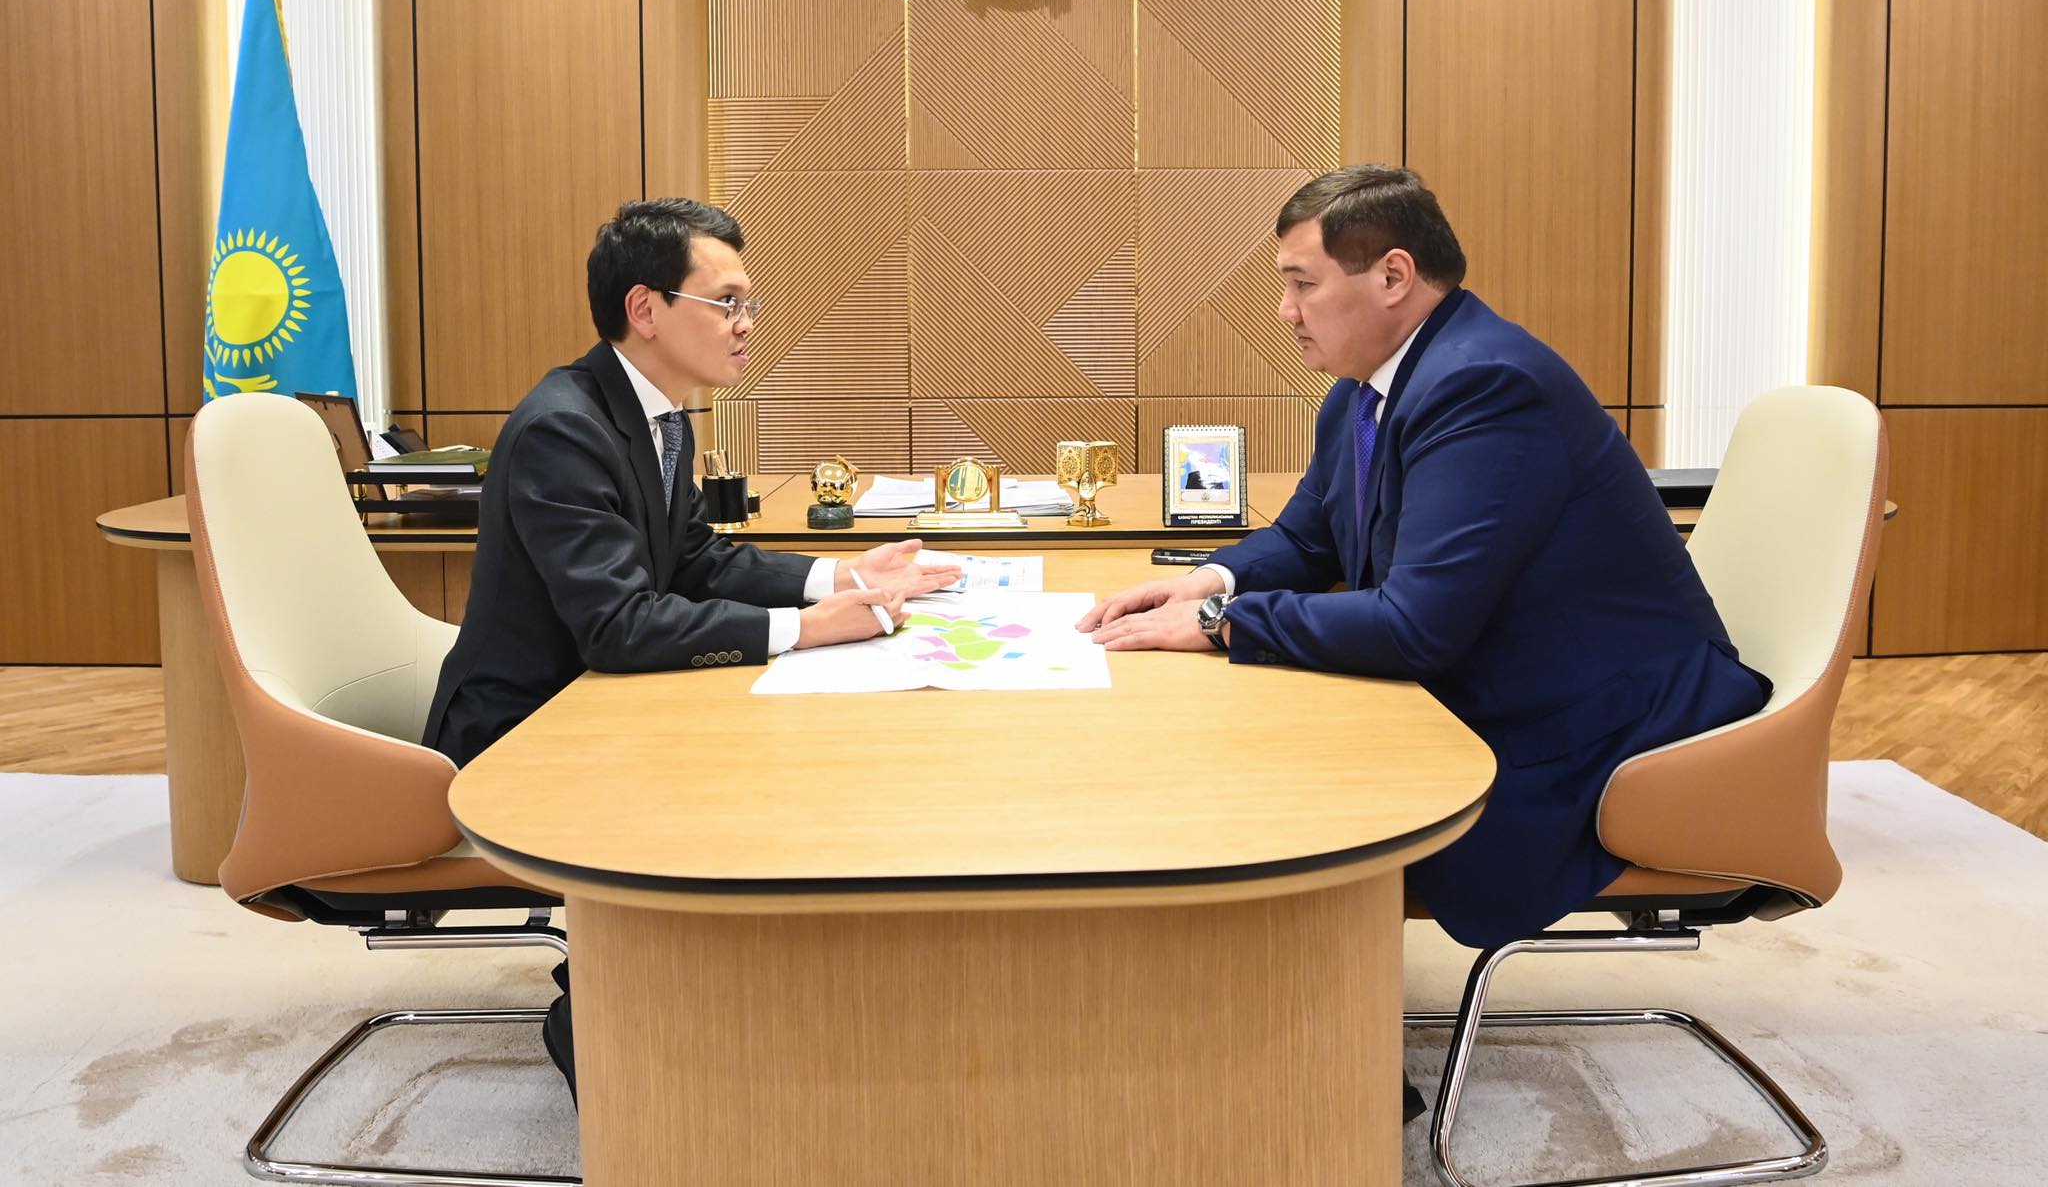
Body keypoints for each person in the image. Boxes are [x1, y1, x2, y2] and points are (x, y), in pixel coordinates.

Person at [1080, 165, 1767, 1109]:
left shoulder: (1488, 385)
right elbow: (1308, 540)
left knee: (1277, 787)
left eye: (1302, 283)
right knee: (1252, 744)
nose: (1285, 311)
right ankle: (1293, 1041)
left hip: (1602, 725)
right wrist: (1209, 581)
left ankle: (1332, 1084)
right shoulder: (1363, 392)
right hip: (1509, 679)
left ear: (1393, 276)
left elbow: (1415, 627)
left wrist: (1218, 626)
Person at [424, 197, 959, 1099]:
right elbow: (621, 625)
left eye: (750, 305)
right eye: (727, 303)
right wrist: (806, 629)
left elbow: (695, 559)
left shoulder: (660, 414)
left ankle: (743, 998)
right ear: (646, 308)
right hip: (526, 734)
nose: (746, 325)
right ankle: (619, 1020)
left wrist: (836, 575)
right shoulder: (563, 428)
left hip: (599, 708)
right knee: (754, 782)